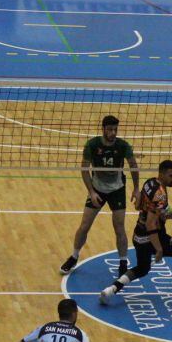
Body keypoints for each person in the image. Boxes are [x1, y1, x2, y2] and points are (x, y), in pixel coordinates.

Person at [100, 160, 172, 311]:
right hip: (153, 235)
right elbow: (151, 224)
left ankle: (111, 290)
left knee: (142, 268)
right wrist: (159, 249)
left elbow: (141, 207)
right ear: (161, 174)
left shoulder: (149, 183)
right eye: (171, 176)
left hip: (138, 235)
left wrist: (168, 215)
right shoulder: (161, 194)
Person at [60, 115, 139, 275]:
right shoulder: (92, 144)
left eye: (115, 129)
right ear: (103, 129)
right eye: (110, 129)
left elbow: (133, 165)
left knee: (119, 227)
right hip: (97, 189)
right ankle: (74, 256)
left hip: (117, 189)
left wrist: (136, 188)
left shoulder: (123, 145)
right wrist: (91, 192)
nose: (113, 132)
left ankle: (123, 262)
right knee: (84, 226)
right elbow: (84, 169)